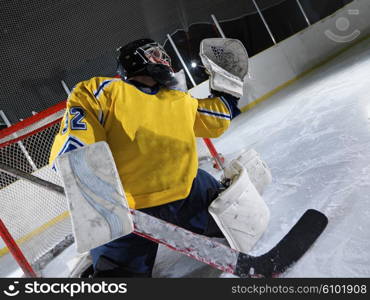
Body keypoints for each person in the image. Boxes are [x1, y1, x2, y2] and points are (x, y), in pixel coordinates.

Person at [49, 38, 241, 277]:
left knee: (217, 196)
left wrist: (228, 88)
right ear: (132, 60)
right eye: (155, 53)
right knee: (117, 277)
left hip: (183, 195)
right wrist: (86, 179)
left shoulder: (178, 98)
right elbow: (76, 141)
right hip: (132, 213)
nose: (165, 59)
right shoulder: (103, 91)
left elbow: (216, 120)